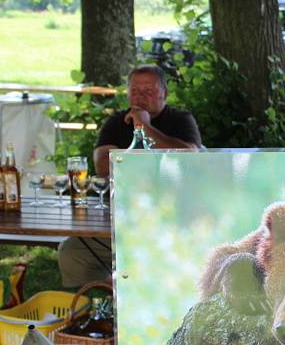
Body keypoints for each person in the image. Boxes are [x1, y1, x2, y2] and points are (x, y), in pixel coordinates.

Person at [57, 64, 202, 288]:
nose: (140, 97)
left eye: (148, 91)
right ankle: (100, 304)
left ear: (165, 93)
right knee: (71, 251)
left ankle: (141, 300)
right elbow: (103, 166)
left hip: (171, 223)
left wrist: (143, 126)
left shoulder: (180, 120)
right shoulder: (116, 122)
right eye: (135, 91)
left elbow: (189, 156)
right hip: (118, 221)